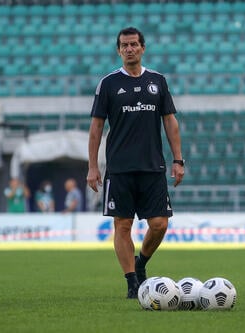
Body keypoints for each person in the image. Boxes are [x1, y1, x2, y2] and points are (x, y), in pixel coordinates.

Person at [87, 27, 185, 299]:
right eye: (124, 45)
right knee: (123, 225)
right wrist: (93, 166)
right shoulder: (108, 83)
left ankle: (141, 261)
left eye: (133, 44)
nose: (129, 49)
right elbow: (96, 127)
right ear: (118, 50)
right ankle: (132, 281)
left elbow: (170, 121)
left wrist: (178, 160)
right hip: (119, 168)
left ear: (143, 48)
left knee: (160, 225)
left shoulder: (158, 81)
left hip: (153, 167)